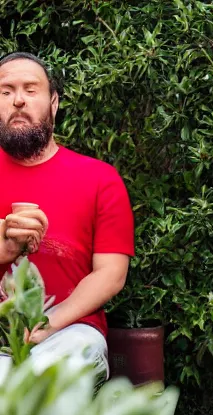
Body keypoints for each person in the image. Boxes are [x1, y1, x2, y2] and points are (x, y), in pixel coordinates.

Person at [0, 52, 134, 380]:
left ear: (54, 103)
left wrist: (50, 322)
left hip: (70, 333)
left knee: (58, 370)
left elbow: (111, 275)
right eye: (5, 91)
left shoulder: (99, 178)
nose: (18, 100)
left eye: (31, 90)